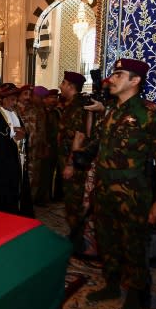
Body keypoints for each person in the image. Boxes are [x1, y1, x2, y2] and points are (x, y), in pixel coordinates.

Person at [87, 58, 156, 309]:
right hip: (105, 187)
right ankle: (112, 285)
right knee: (107, 239)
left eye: (119, 74)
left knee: (134, 244)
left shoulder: (150, 112)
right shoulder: (111, 110)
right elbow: (97, 146)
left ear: (135, 81)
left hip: (133, 190)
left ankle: (135, 295)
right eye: (113, 73)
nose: (111, 78)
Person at [0, 84, 32, 216]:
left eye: (15, 99)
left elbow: (23, 132)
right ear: (3, 99)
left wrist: (23, 134)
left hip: (17, 161)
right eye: (11, 99)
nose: (14, 102)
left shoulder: (15, 114)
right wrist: (12, 132)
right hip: (3, 164)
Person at [57, 71, 91, 242]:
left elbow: (79, 136)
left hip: (74, 162)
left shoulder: (78, 107)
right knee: (70, 200)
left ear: (70, 86)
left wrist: (70, 163)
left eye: (63, 83)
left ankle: (78, 238)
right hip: (66, 158)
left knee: (74, 200)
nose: (60, 86)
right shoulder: (69, 105)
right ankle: (75, 234)